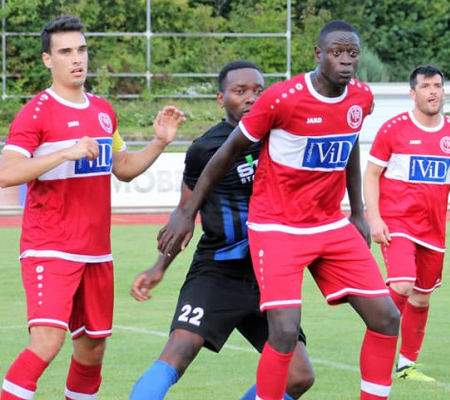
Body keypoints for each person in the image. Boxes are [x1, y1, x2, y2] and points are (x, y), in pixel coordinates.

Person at [156, 20, 400, 400]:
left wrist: (357, 211)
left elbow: (351, 143)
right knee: (284, 331)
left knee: (387, 318)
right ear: (319, 55)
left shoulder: (362, 97)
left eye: (352, 52)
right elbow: (227, 153)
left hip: (330, 224)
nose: (346, 60)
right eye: (337, 52)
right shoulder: (283, 98)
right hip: (277, 226)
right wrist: (188, 213)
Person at [0, 15, 185, 400]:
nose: (77, 58)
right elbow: (7, 173)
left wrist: (159, 142)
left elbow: (124, 168)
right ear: (48, 60)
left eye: (81, 49)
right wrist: (65, 151)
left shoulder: (102, 110)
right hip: (50, 246)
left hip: (97, 253)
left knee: (93, 350)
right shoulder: (36, 112)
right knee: (47, 343)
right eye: (65, 51)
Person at [128, 61, 315, 400]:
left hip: (269, 275)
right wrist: (159, 267)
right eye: (239, 91)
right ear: (220, 98)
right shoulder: (205, 149)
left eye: (258, 91)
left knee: (299, 375)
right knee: (178, 352)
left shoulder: (282, 138)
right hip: (217, 272)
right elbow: (184, 214)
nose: (250, 98)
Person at [364, 65, 450, 382]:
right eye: (426, 86)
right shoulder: (394, 129)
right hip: (397, 223)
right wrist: (375, 219)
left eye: (437, 85)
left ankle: (406, 364)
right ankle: (379, 341)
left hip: (433, 229)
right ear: (413, 93)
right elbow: (371, 175)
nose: (433, 91)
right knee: (402, 283)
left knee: (421, 297)